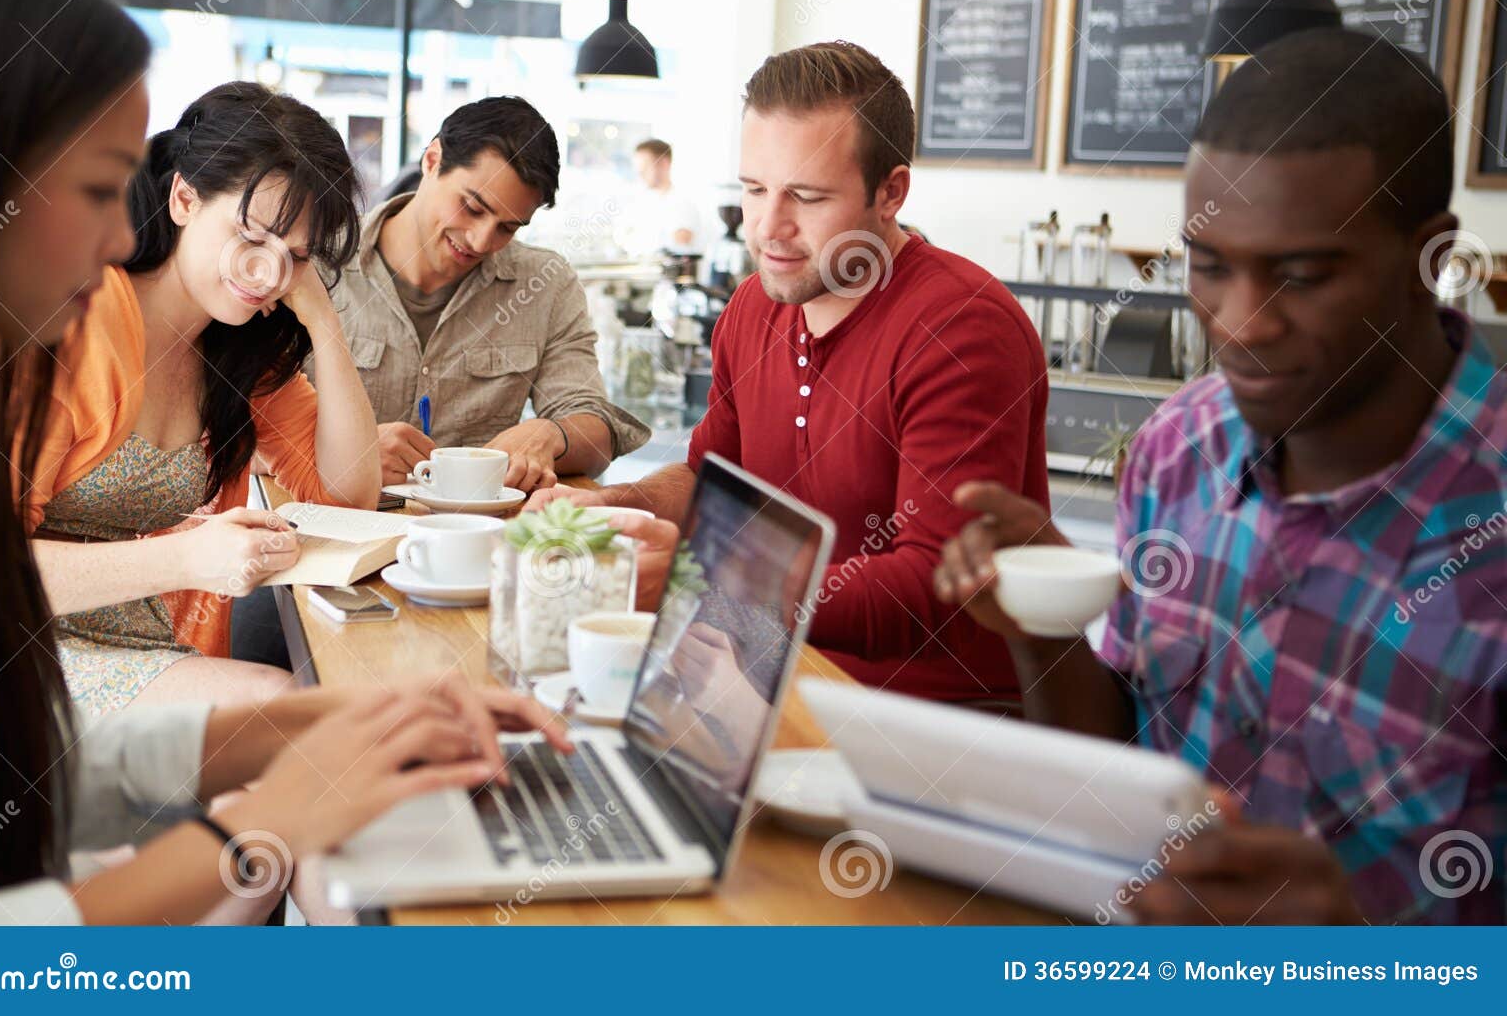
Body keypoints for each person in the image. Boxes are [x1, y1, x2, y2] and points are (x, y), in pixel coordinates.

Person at [0, 0, 566, 926]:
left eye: (291, 254)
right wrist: (257, 827)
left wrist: (333, 723)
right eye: (94, 189)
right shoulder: (54, 352)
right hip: (74, 655)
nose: (121, 238)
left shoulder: (229, 354)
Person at [936, 28, 1507, 924]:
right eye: (1209, 267)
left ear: (1432, 258)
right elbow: (1125, 762)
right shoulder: (1176, 450)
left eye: (1303, 274)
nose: (1240, 324)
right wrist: (1043, 634)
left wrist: (1351, 945)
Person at [533, 42, 1050, 705]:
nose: (769, 228)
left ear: (890, 192)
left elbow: (933, 586)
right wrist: (613, 508)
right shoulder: (753, 308)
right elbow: (708, 480)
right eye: (753, 190)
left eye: (805, 197)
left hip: (925, 716)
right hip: (759, 682)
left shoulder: (961, 328)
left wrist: (704, 578)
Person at [21, 81, 382, 717]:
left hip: (146, 648)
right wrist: (188, 556)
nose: (269, 274)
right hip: (9, 647)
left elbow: (349, 498)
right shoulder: (73, 320)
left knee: (332, 714)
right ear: (184, 198)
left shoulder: (237, 351)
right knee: (284, 713)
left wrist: (322, 321)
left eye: (297, 256)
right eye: (253, 237)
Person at [318, 96, 649, 493]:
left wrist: (550, 435)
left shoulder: (546, 284)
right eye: (472, 207)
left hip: (480, 539)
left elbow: (598, 433)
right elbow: (243, 434)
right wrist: (348, 451)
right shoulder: (318, 262)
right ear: (432, 160)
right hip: (334, 530)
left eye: (508, 228)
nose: (480, 240)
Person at [618, 138, 701, 258]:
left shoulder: (682, 203)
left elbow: (682, 239)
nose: (640, 173)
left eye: (645, 167)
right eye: (638, 168)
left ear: (664, 164)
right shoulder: (644, 200)